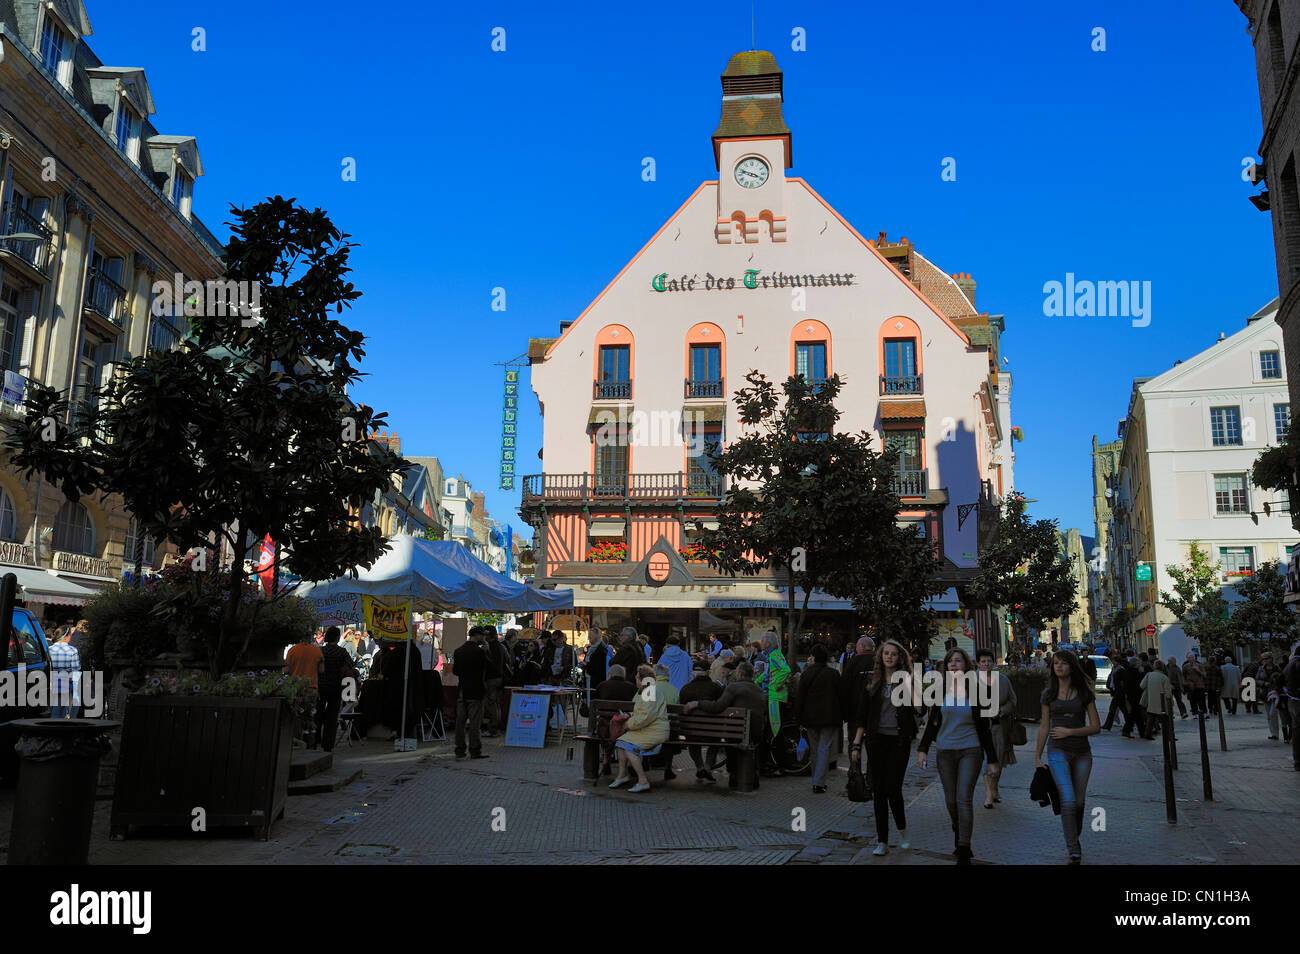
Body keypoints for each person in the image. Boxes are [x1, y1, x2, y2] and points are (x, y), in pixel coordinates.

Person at [917, 648, 999, 864]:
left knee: (963, 799)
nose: (954, 665)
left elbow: (984, 728)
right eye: (950, 662)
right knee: (951, 801)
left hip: (970, 750)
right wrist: (922, 748)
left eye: (958, 661)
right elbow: (932, 723)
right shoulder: (939, 690)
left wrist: (992, 759)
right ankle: (959, 828)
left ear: (966, 666)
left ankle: (964, 846)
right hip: (945, 751)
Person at [1034, 649, 1101, 864]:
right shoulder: (1048, 694)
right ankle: (1073, 848)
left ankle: (1074, 837)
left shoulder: (1084, 693)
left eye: (1063, 663)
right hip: (1057, 751)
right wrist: (1037, 756)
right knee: (1069, 800)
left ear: (1071, 666)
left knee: (1079, 802)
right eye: (1055, 663)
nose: (1059, 666)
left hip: (1082, 753)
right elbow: (1044, 726)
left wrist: (1070, 731)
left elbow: (1096, 727)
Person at [850, 638, 916, 855]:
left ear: (899, 658)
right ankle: (882, 841)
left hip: (899, 741)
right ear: (880, 656)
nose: (889, 657)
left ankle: (903, 830)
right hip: (876, 740)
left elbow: (920, 709)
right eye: (886, 653)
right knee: (878, 791)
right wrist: (856, 744)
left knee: (893, 789)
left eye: (893, 654)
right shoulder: (872, 681)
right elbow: (862, 715)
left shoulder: (905, 680)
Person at [685, 661, 768, 781]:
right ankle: (753, 775)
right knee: (747, 738)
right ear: (752, 675)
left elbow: (718, 707)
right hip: (755, 733)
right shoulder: (759, 690)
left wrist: (698, 703)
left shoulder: (733, 687)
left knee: (731, 737)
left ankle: (733, 774)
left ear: (739, 674)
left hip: (735, 734)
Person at [609, 665, 670, 793]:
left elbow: (645, 717)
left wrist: (627, 724)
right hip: (650, 729)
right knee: (621, 743)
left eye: (637, 677)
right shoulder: (648, 691)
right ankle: (622, 775)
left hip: (654, 731)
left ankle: (642, 781)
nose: (635, 680)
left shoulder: (649, 692)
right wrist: (630, 716)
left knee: (628, 747)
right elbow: (643, 713)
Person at [794, 644, 841, 794]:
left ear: (814, 657)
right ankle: (819, 782)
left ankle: (816, 779)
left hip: (810, 718)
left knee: (814, 750)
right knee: (824, 749)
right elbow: (841, 697)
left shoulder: (806, 674)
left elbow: (800, 697)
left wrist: (799, 718)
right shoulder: (833, 674)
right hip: (829, 717)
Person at [977, 647, 1016, 808]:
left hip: (999, 726)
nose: (986, 664)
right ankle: (988, 795)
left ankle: (994, 788)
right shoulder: (971, 681)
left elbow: (1013, 700)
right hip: (980, 727)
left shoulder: (1003, 680)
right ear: (978, 664)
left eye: (989, 661)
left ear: (993, 663)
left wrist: (1003, 710)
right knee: (986, 760)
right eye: (983, 661)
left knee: (998, 761)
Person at [679, 659, 724, 781]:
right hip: (713, 731)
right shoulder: (717, 688)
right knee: (715, 741)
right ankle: (708, 766)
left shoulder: (685, 689)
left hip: (691, 731)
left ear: (694, 673)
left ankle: (699, 767)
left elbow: (681, 710)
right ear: (708, 672)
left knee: (692, 742)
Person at [316, 626, 358, 751]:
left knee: (318, 713)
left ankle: (315, 739)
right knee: (332, 716)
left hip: (321, 685)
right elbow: (351, 664)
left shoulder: (320, 650)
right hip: (336, 686)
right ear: (336, 637)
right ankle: (328, 744)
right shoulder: (342, 652)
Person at [451, 626, 490, 760]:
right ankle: (475, 750)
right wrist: (486, 652)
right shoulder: (479, 652)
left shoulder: (458, 651)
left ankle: (459, 749)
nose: (484, 638)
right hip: (476, 690)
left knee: (460, 722)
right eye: (483, 635)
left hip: (462, 689)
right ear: (477, 636)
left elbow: (455, 671)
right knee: (474, 722)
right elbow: (490, 668)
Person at [759, 631, 792, 755]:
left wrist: (776, 684)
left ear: (768, 643)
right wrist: (755, 681)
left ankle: (779, 761)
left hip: (776, 698)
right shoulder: (770, 655)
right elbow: (767, 673)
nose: (760, 643)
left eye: (762, 640)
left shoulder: (775, 654)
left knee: (776, 730)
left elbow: (786, 670)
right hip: (773, 696)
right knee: (773, 730)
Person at [841, 636, 876, 749]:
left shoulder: (852, 663)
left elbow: (845, 687)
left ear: (861, 647)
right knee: (873, 744)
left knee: (854, 742)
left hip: (855, 709)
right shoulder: (879, 662)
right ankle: (871, 766)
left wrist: (845, 712)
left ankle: (855, 765)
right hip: (875, 710)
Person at [48, 628, 81, 719]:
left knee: (52, 710)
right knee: (59, 712)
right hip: (64, 685)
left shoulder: (49, 649)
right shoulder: (72, 650)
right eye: (70, 635)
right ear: (66, 637)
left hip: (49, 684)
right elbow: (76, 670)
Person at [483, 631, 509, 735]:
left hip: (491, 678)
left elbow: (489, 662)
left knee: (491, 702)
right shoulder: (501, 646)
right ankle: (497, 725)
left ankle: (493, 728)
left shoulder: (491, 647)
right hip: (499, 677)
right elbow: (508, 659)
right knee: (495, 703)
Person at [1139, 659, 1171, 741]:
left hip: (1151, 700)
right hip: (1162, 701)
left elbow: (1142, 686)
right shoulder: (1164, 677)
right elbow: (1168, 693)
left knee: (1151, 718)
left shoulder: (1149, 675)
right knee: (1166, 719)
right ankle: (1168, 735)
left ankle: (1148, 734)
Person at [1257, 651, 1284, 739]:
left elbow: (1282, 679)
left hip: (1275, 693)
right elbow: (1256, 680)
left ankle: (1276, 733)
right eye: (1263, 659)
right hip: (1265, 694)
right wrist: (1264, 683)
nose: (1264, 660)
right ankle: (1273, 733)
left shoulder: (1277, 668)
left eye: (1266, 658)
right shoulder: (1261, 669)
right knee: (1269, 715)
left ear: (1271, 659)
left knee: (1273, 713)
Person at [1283, 644, 1300, 770]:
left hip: (1292, 700)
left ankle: (1297, 760)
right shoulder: (1298, 664)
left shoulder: (1288, 665)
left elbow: (1279, 680)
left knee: (1296, 730)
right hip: (1298, 699)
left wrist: (1288, 691)